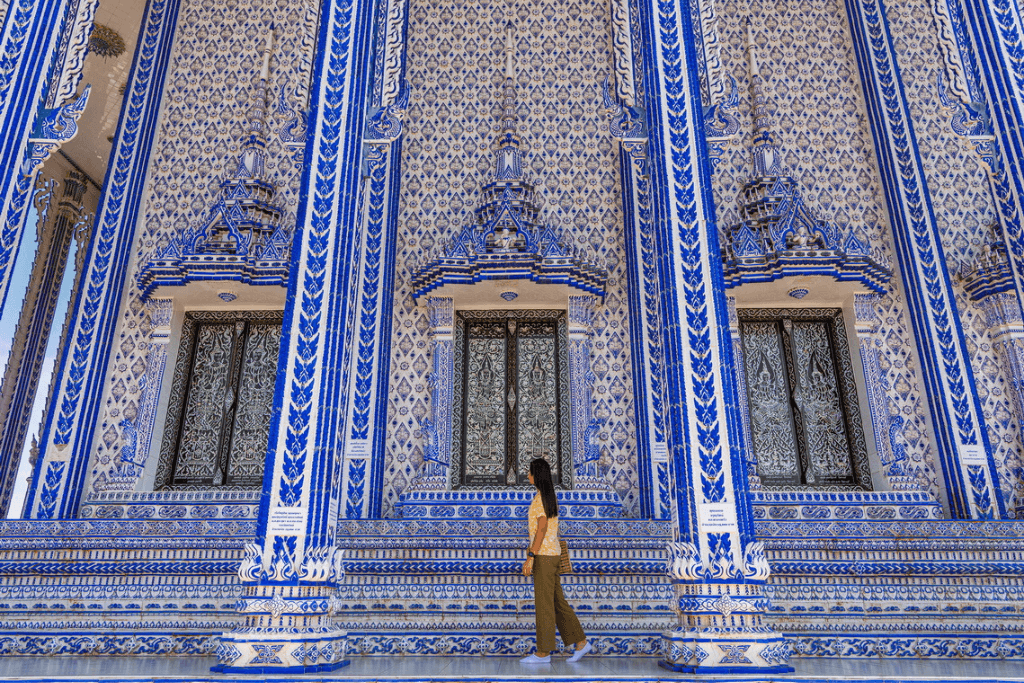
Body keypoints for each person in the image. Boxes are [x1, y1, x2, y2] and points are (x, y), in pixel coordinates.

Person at [519, 457, 592, 664]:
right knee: (557, 602)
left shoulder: (541, 498)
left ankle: (543, 652)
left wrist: (531, 557)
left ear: (537, 475)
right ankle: (581, 642)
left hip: (543, 556)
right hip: (553, 555)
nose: (528, 475)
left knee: (544, 604)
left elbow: (541, 529)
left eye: (530, 472)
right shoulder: (547, 496)